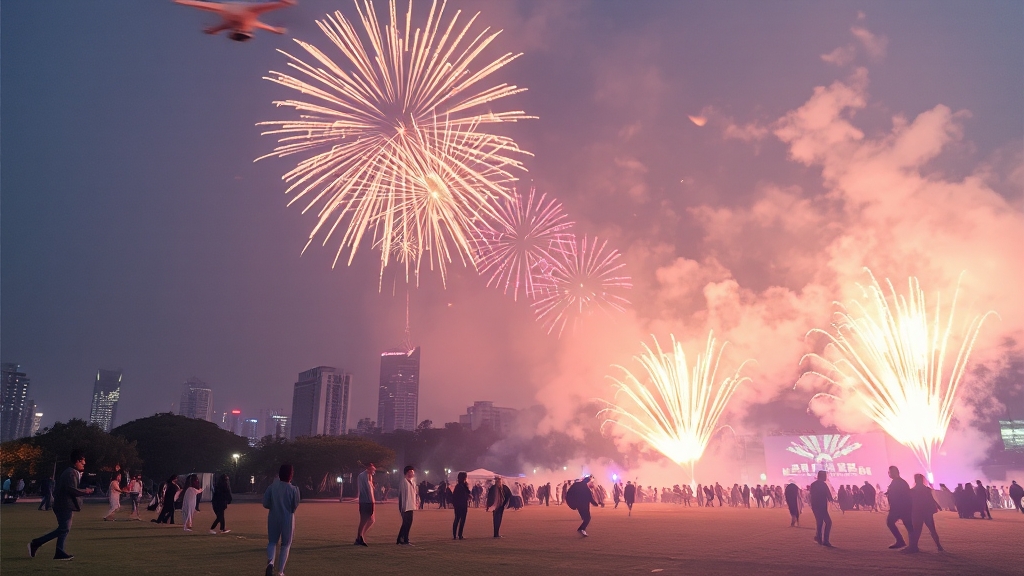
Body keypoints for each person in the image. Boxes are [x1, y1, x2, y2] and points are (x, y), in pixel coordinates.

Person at [28, 449, 94, 561]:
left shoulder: (71, 472)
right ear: (77, 461)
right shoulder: (70, 473)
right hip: (63, 505)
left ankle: (59, 552)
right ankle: (36, 543)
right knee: (63, 529)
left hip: (64, 505)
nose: (84, 463)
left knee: (64, 529)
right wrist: (85, 491)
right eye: (83, 461)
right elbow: (71, 490)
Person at [264, 464, 300, 576]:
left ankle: (270, 563)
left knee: (272, 542)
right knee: (286, 544)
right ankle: (280, 571)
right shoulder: (293, 489)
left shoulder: (271, 487)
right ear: (291, 475)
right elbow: (294, 506)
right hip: (287, 518)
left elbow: (265, 503)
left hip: (273, 516)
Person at [904, 474, 943, 553]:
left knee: (917, 530)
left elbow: (910, 502)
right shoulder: (926, 489)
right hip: (926, 511)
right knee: (932, 530)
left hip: (917, 512)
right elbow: (931, 499)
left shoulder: (913, 490)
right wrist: (937, 505)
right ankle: (939, 546)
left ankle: (914, 547)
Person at [885, 466, 913, 549]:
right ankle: (908, 543)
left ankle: (905, 543)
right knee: (908, 525)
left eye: (890, 472)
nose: (889, 474)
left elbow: (900, 495)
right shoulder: (899, 482)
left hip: (899, 507)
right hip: (902, 507)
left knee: (891, 522)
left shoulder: (898, 482)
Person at [809, 470, 834, 547]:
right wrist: (833, 500)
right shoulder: (823, 484)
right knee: (828, 522)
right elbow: (829, 496)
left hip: (815, 506)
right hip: (822, 506)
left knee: (819, 522)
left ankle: (818, 538)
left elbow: (811, 495)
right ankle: (825, 540)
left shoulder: (813, 484)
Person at [355, 462, 376, 546]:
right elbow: (367, 490)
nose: (374, 470)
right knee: (364, 520)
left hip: (369, 501)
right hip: (365, 501)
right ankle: (359, 538)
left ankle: (360, 536)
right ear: (368, 468)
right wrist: (371, 501)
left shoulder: (369, 476)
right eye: (373, 469)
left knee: (372, 520)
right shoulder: (363, 476)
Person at [397, 465, 416, 545]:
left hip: (411, 506)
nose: (412, 473)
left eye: (413, 472)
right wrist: (402, 507)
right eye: (410, 472)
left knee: (408, 523)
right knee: (406, 523)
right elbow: (402, 495)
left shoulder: (413, 482)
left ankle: (402, 539)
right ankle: (404, 539)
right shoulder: (404, 482)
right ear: (407, 473)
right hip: (405, 506)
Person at [452, 471, 471, 540]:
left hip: (462, 504)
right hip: (460, 505)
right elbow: (456, 496)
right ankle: (456, 535)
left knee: (461, 519)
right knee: (458, 519)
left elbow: (468, 492)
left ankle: (459, 535)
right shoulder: (458, 486)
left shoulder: (463, 485)